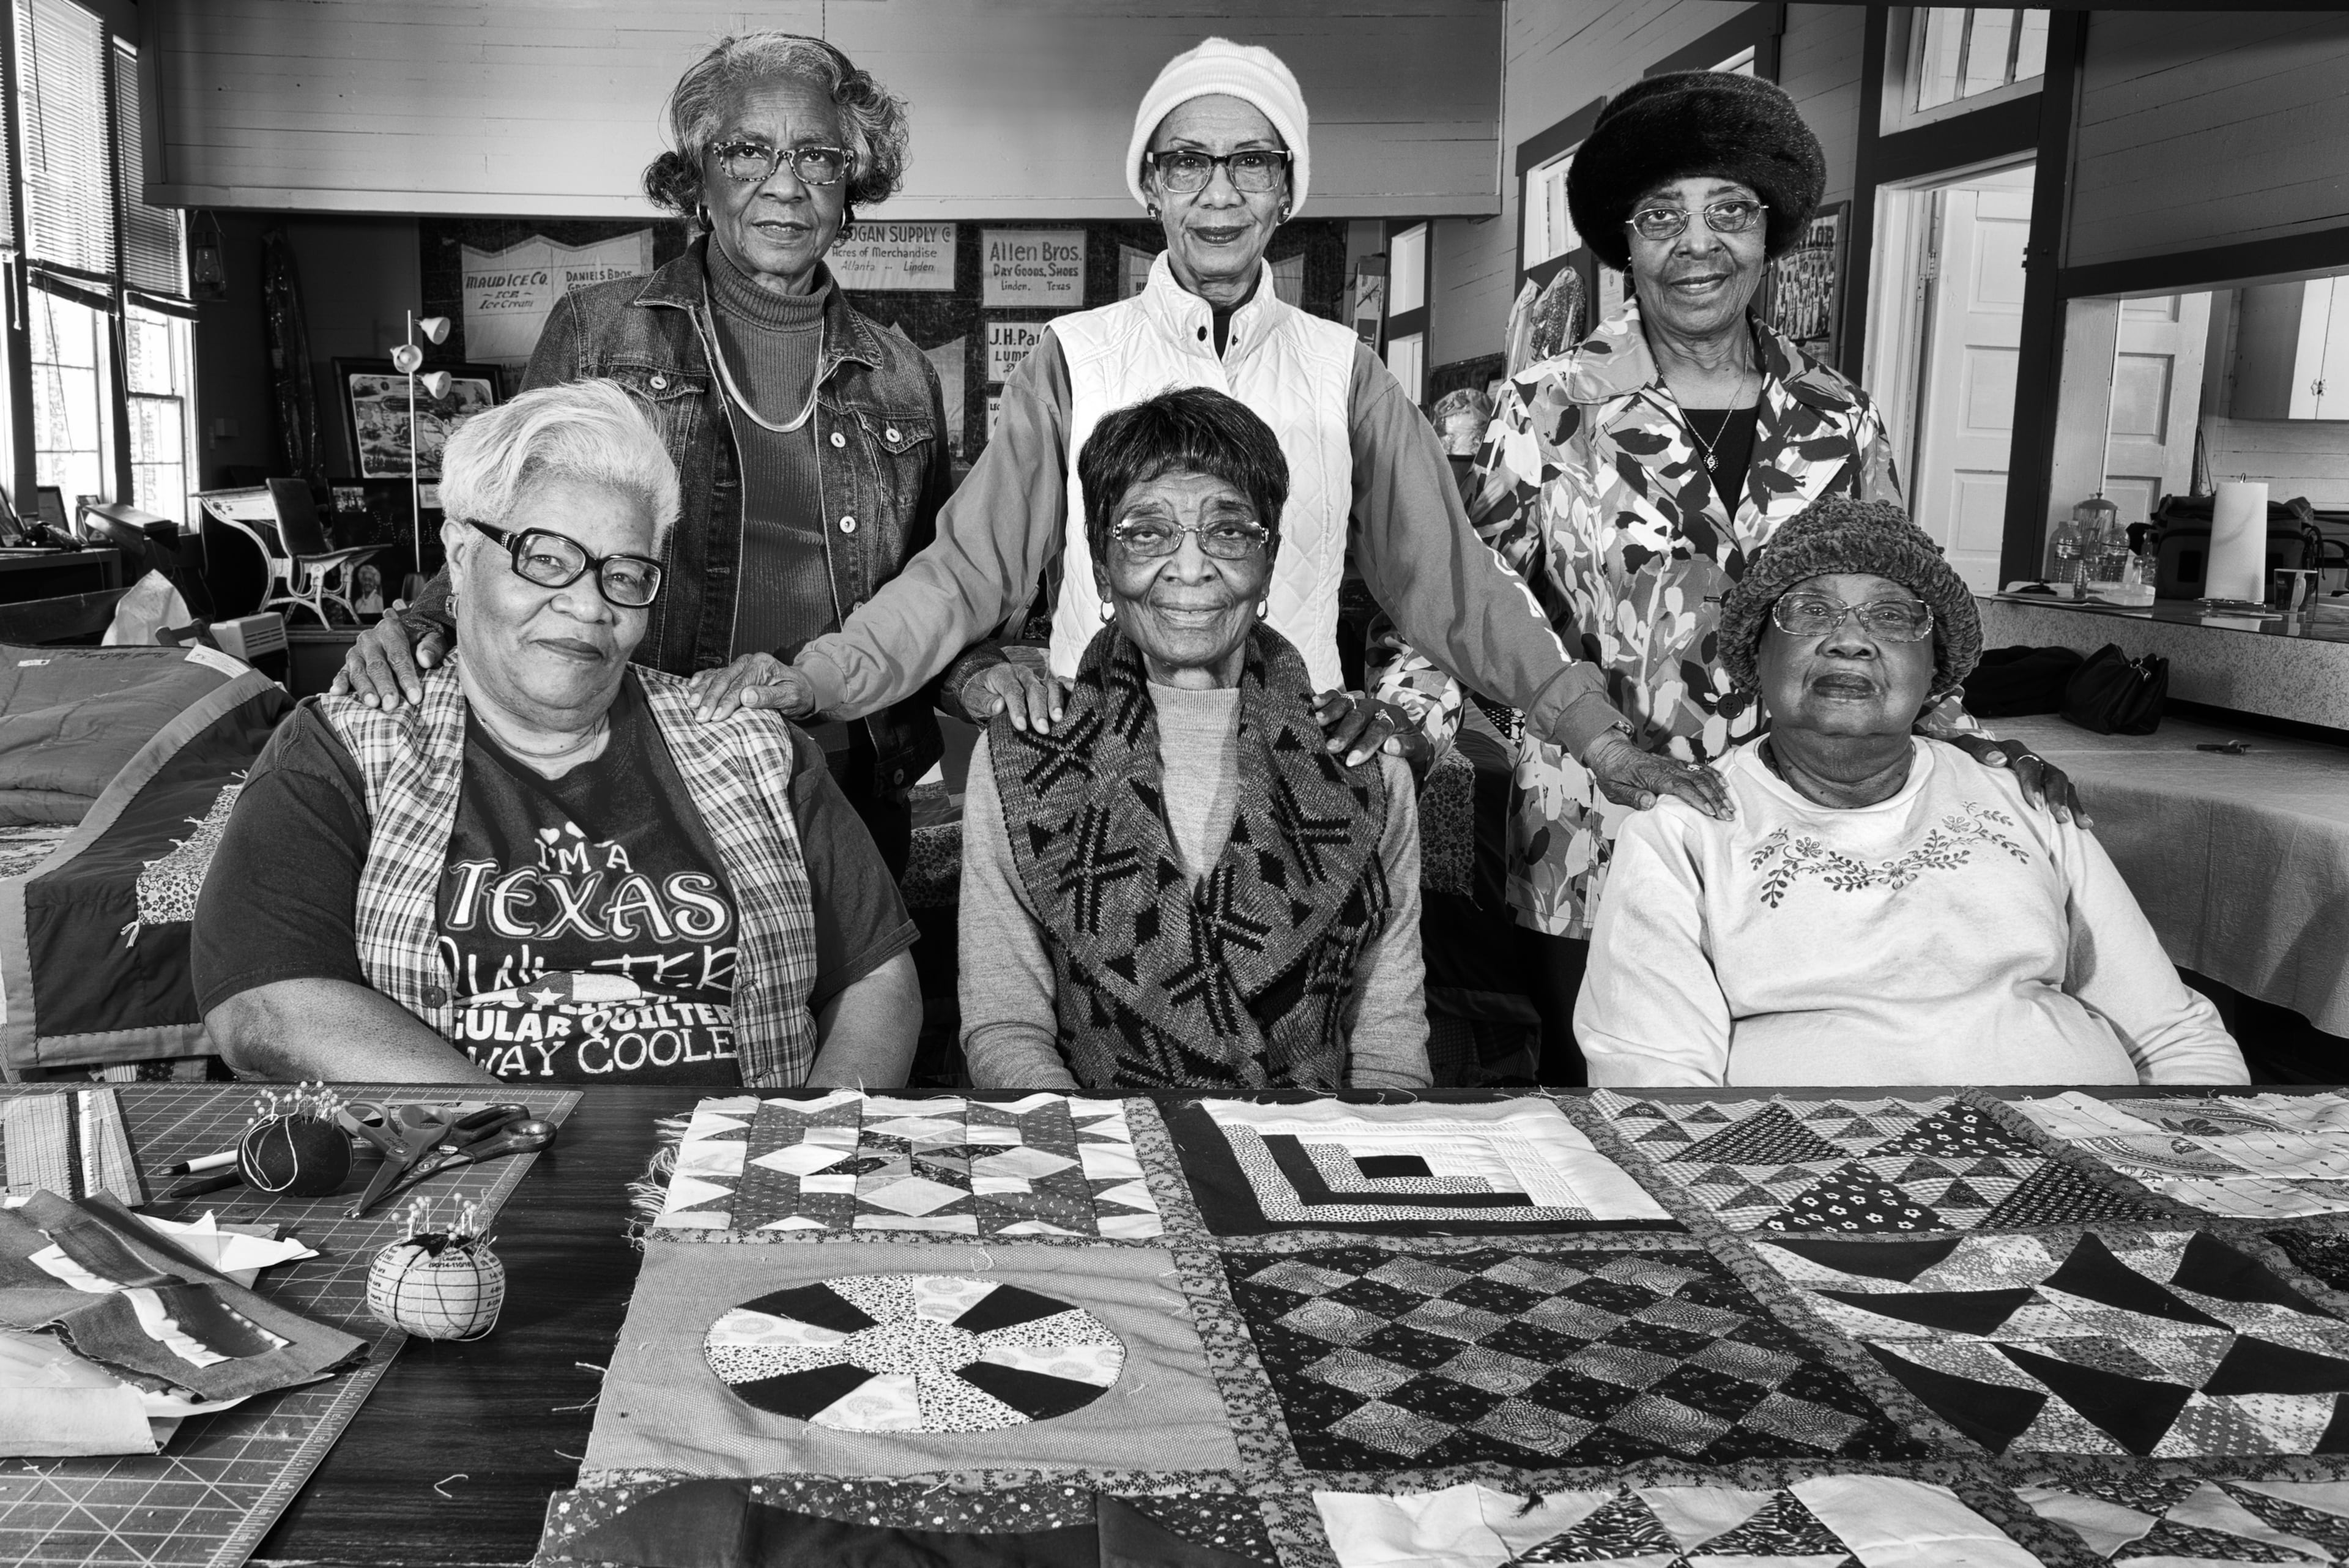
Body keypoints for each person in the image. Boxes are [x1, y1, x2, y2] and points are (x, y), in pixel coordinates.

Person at [1373, 71, 2080, 1080]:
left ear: (1769, 231)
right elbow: (1458, 602)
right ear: (1625, 242)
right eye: (1663, 216)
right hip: (1596, 837)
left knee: (1786, 1100)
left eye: (1730, 212)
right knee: (1615, 1115)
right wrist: (1400, 726)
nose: (1696, 244)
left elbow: (1890, 614)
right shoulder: (1547, 407)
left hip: (1800, 838)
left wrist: (1977, 749)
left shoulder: (1839, 417)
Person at [678, 35, 1588, 782]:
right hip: (1104, 775)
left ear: (1287, 189)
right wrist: (818, 678)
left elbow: (1452, 583)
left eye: (1252, 162)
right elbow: (965, 572)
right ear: (1150, 185)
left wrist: (1593, 729)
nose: (1219, 192)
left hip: (1294, 777)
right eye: (1187, 162)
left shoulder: (1344, 371)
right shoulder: (1074, 359)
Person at [334, 31, 949, 875]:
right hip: (639, 758)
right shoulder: (598, 332)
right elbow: (504, 527)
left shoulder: (905, 376)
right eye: (746, 151)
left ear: (852, 185)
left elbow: (938, 588)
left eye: (818, 156)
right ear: (698, 177)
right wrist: (418, 625)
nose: (784, 184)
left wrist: (992, 673)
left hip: (846, 772)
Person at [195, 382, 921, 1087]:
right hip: (461, 1163)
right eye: (546, 558)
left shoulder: (752, 749)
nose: (588, 605)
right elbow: (266, 1005)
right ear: (460, 556)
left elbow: (878, 981)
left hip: (739, 1161)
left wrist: (811, 1143)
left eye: (625, 574)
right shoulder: (343, 749)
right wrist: (518, 1129)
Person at [1576, 496, 2245, 1087]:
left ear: (1935, 671)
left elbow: (2171, 1038)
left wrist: (2192, 1164)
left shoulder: (2024, 802)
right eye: (1812, 611)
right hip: (1818, 1180)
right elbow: (1657, 1093)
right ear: (1757, 654)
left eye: (1892, 617)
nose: (1850, 641)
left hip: (2081, 1161)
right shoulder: (1682, 835)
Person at [959, 388, 1429, 1092]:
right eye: (1146, 533)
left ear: (1269, 561)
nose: (1190, 567)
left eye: (1229, 531)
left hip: (1316, 1146)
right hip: (1104, 1146)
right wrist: (1117, 1151)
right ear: (1101, 566)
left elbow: (1390, 1044)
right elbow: (1006, 1028)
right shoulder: (1024, 757)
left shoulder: (1361, 765)